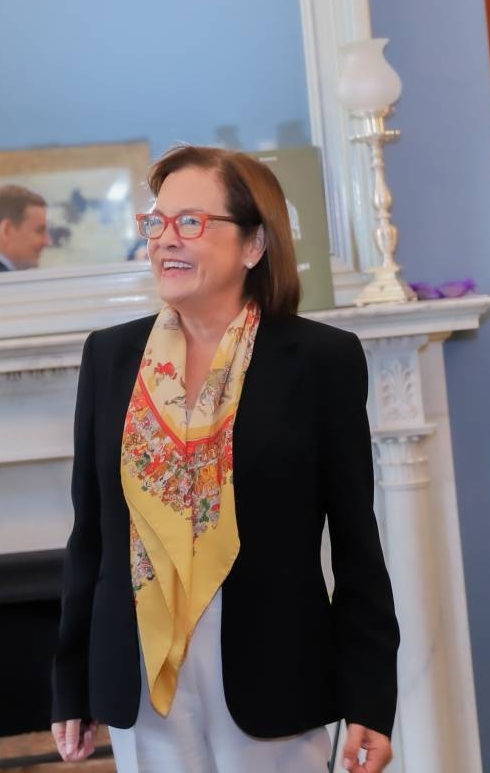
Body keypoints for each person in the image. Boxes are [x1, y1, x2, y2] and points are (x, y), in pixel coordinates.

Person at [50, 145, 399, 773]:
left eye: (191, 221)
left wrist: (371, 696)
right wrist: (70, 681)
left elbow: (356, 541)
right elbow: (91, 535)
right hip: (142, 667)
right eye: (155, 222)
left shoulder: (322, 360)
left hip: (273, 670)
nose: (165, 240)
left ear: (254, 245)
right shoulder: (109, 357)